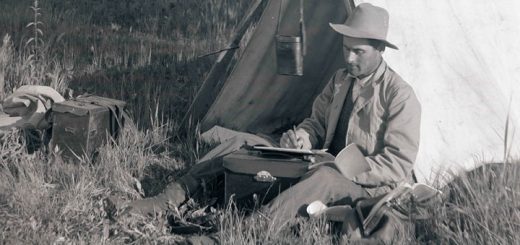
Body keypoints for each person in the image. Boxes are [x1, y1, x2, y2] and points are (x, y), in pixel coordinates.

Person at [127, 3, 421, 228]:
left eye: (358, 52)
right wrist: (303, 137)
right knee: (242, 146)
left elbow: (398, 162)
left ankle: (251, 230)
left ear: (380, 50)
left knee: (326, 179)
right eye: (346, 50)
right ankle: (171, 197)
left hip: (361, 185)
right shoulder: (341, 80)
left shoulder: (398, 95)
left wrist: (344, 169)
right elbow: (316, 123)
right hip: (321, 163)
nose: (349, 58)